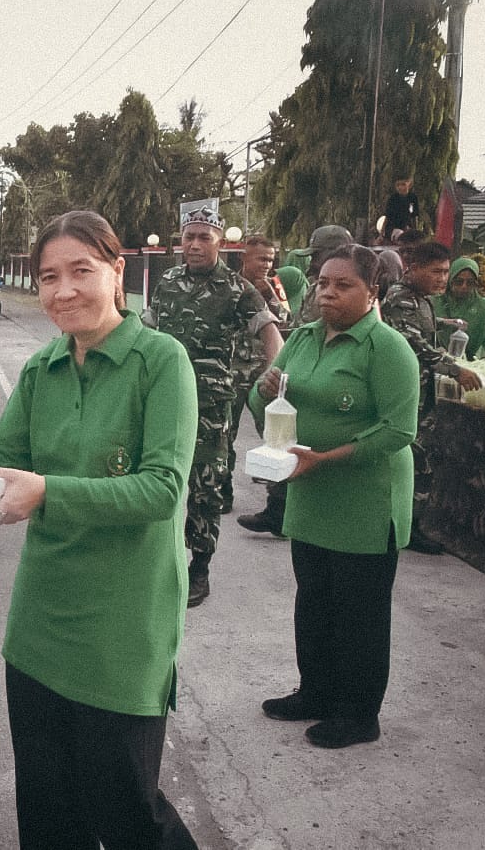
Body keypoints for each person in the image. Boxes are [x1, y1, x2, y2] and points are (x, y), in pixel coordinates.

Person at [0, 210, 199, 849]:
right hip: (40, 625)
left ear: (117, 271)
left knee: (127, 811)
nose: (63, 291)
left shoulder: (161, 360)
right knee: (47, 811)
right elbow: (1, 467)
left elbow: (162, 489)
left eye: (81, 271)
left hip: (121, 627)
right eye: (49, 276)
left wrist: (48, 491)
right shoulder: (41, 368)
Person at [252, 243, 419, 749]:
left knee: (359, 614)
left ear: (373, 292)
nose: (328, 293)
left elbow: (399, 430)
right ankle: (316, 692)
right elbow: (267, 399)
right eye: (323, 283)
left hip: (365, 501)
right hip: (311, 494)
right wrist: (264, 389)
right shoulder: (303, 338)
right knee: (315, 602)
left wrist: (325, 458)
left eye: (343, 285)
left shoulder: (387, 348)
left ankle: (359, 714)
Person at [144, 205, 282, 606]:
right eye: (189, 237)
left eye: (204, 237)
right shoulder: (167, 282)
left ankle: (199, 568)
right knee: (154, 476)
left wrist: (273, 374)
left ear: (220, 243)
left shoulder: (237, 289)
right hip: (163, 396)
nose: (195, 244)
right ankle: (155, 559)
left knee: (205, 488)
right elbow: (146, 329)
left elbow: (271, 332)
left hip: (210, 404)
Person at [239, 224, 352, 538]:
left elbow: (299, 325)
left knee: (294, 439)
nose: (313, 262)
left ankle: (282, 512)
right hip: (290, 365)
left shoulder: (325, 290)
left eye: (318, 255)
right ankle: (278, 510)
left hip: (316, 369)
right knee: (283, 438)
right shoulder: (316, 286)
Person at [381, 240, 482, 554]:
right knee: (415, 458)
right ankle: (406, 527)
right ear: (414, 268)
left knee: (420, 456)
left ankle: (409, 524)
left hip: (420, 391)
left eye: (445, 272)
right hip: (403, 391)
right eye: (436, 271)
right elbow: (413, 340)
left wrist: (444, 323)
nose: (442, 279)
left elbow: (422, 325)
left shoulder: (420, 298)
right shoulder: (400, 297)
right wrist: (455, 369)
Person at [225, 235, 287, 514]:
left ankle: (278, 501)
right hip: (233, 371)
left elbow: (286, 320)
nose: (267, 264)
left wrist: (270, 295)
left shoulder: (274, 286)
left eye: (271, 260)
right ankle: (222, 491)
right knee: (225, 433)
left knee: (274, 433)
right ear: (244, 258)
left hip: (264, 372)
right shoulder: (229, 285)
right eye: (261, 259)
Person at [432, 256, 485, 360]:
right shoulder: (435, 300)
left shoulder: (481, 307)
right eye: (459, 282)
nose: (464, 286)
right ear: (450, 280)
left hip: (465, 362)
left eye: (470, 283)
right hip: (433, 357)